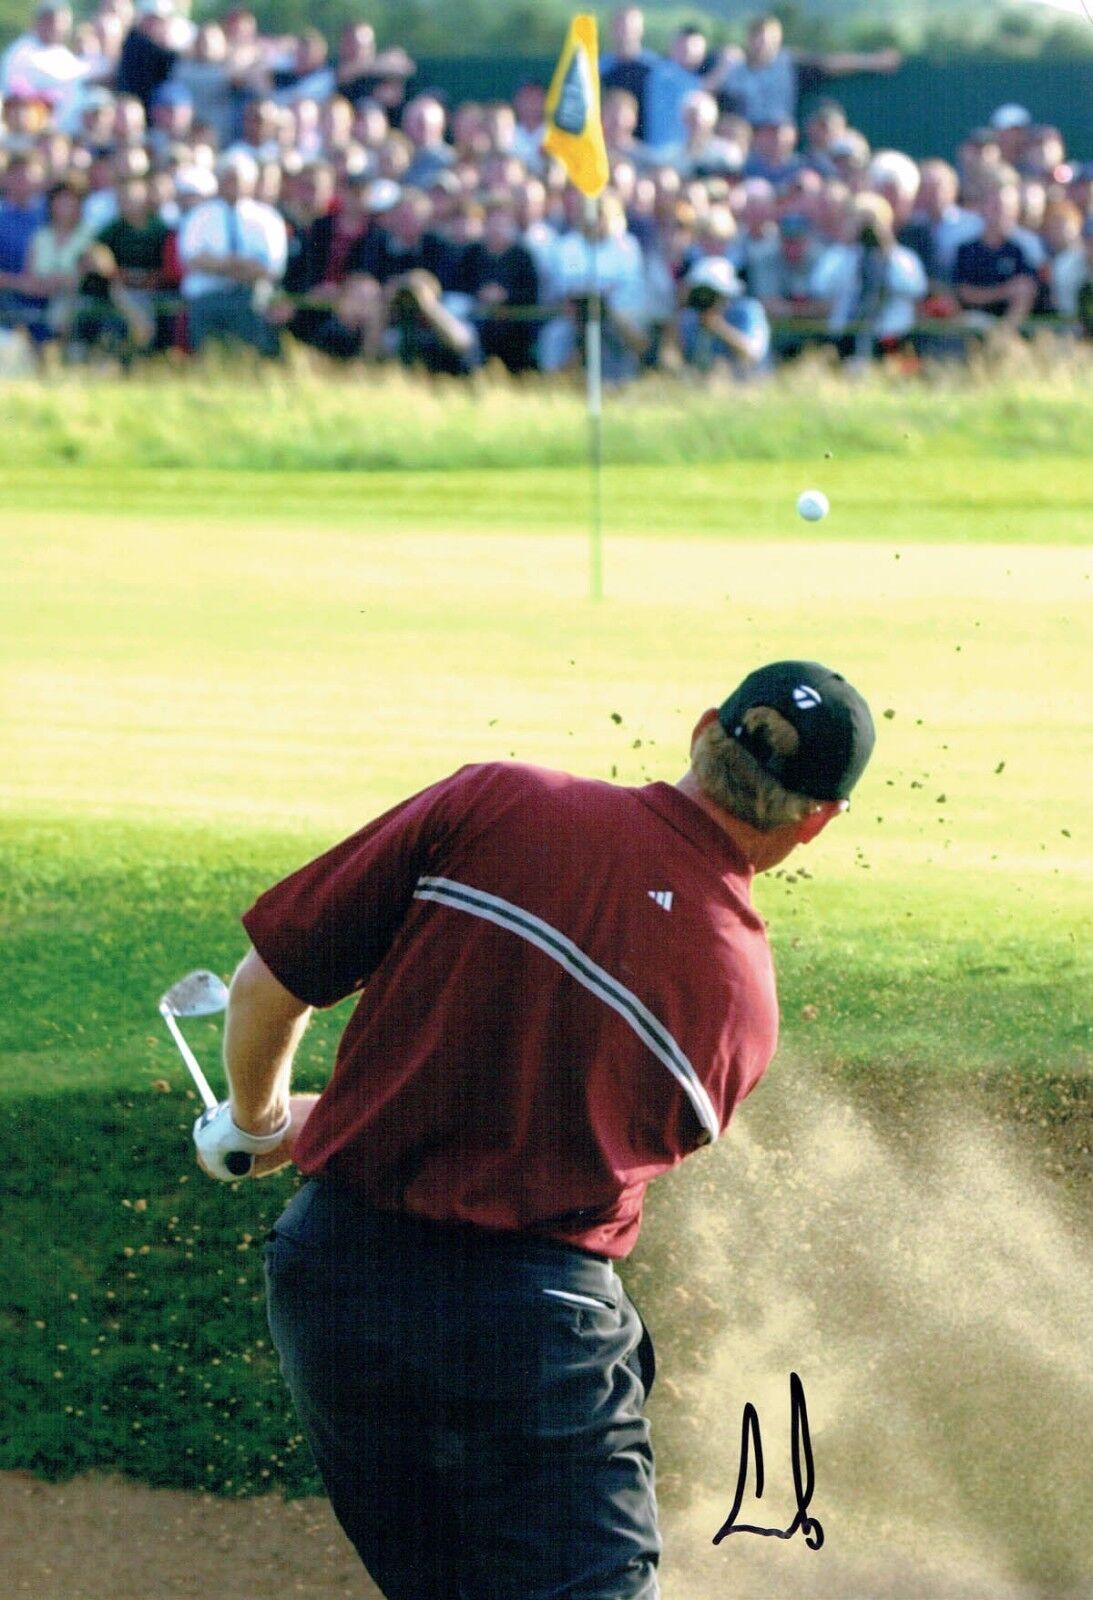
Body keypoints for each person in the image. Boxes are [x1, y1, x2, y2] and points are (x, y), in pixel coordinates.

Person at [195, 659, 876, 1600]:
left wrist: (262, 1118)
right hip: (530, 1332)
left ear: (703, 727)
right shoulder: (741, 1001)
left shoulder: (496, 801)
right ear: (817, 819)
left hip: (335, 1286)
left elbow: (268, 988)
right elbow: (556, 1145)